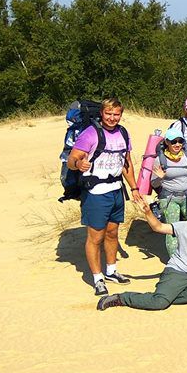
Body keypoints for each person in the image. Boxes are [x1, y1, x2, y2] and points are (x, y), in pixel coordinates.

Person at [66, 97, 140, 296]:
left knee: (113, 233)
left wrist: (134, 188)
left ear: (121, 115)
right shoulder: (90, 133)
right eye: (108, 113)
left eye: (116, 114)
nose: (112, 118)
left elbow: (126, 163)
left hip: (116, 190)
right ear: (102, 113)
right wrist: (78, 164)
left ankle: (111, 271)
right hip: (96, 192)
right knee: (96, 237)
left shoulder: (123, 133)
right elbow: (71, 160)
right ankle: (98, 278)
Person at [97, 199, 187, 311]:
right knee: (159, 303)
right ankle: (121, 298)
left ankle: (166, 295)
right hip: (178, 271)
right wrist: (148, 212)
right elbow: (159, 227)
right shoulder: (184, 227)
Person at [150, 127, 187, 257]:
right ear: (167, 142)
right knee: (172, 229)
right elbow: (154, 184)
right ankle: (174, 261)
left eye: (180, 141)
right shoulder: (160, 160)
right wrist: (160, 178)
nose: (177, 144)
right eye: (173, 141)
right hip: (169, 199)